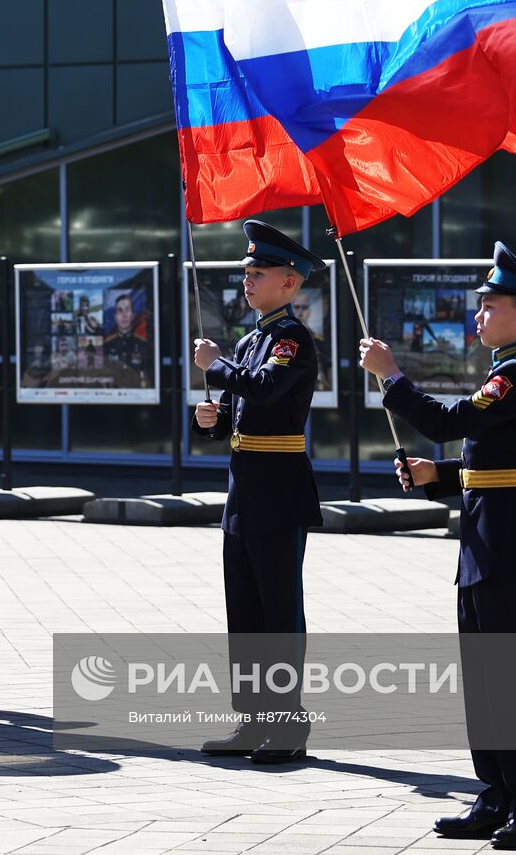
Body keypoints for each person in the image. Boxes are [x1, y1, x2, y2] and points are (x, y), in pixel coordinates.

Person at [360, 242, 516, 850]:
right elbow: (490, 459)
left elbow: (452, 420)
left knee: (514, 681)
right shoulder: (503, 371)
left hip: (509, 547)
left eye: (489, 306)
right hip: (482, 542)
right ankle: (497, 795)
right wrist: (439, 476)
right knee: (482, 680)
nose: (478, 316)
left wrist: (392, 376)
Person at [191, 220, 325, 765]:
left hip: (278, 487)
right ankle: (250, 722)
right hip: (243, 489)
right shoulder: (252, 339)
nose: (247, 280)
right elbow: (239, 411)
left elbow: (268, 389)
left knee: (279, 612)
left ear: (290, 283)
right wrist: (209, 419)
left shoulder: (291, 338)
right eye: (245, 271)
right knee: (244, 612)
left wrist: (217, 367)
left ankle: (288, 724)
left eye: (259, 272)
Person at [103, 292, 150, 384]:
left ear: (132, 315)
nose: (124, 315)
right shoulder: (107, 345)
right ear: (115, 317)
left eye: (127, 310)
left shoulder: (143, 344)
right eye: (120, 311)